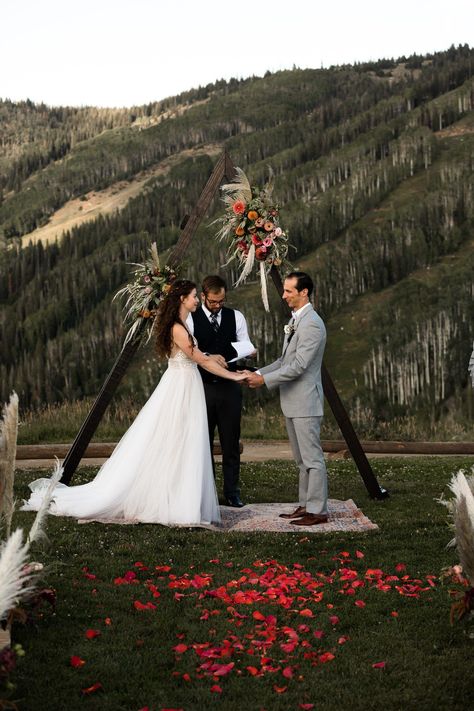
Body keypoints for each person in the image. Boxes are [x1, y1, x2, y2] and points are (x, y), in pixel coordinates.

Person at [21, 280, 246, 526]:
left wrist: (212, 357)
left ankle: (180, 496)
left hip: (185, 384)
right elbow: (199, 360)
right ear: (182, 299)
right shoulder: (179, 329)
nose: (196, 300)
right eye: (193, 296)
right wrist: (235, 375)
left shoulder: (181, 326)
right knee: (180, 439)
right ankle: (177, 501)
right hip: (181, 388)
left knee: (183, 441)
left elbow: (199, 356)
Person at [244, 271, 328, 526]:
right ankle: (306, 505)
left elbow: (300, 366)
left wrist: (265, 381)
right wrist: (257, 373)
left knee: (312, 459)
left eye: (289, 290)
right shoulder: (296, 321)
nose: (284, 295)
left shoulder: (312, 323)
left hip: (305, 402)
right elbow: (284, 361)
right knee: (301, 460)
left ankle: (318, 510)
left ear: (304, 292)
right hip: (293, 401)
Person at [187, 275, 256, 508]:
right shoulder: (191, 318)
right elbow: (190, 351)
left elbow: (243, 343)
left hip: (230, 388)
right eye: (213, 301)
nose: (218, 306)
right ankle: (204, 493)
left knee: (231, 442)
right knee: (201, 442)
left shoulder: (235, 317)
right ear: (204, 296)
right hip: (202, 387)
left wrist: (248, 352)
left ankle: (232, 491)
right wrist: (208, 357)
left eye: (221, 301)